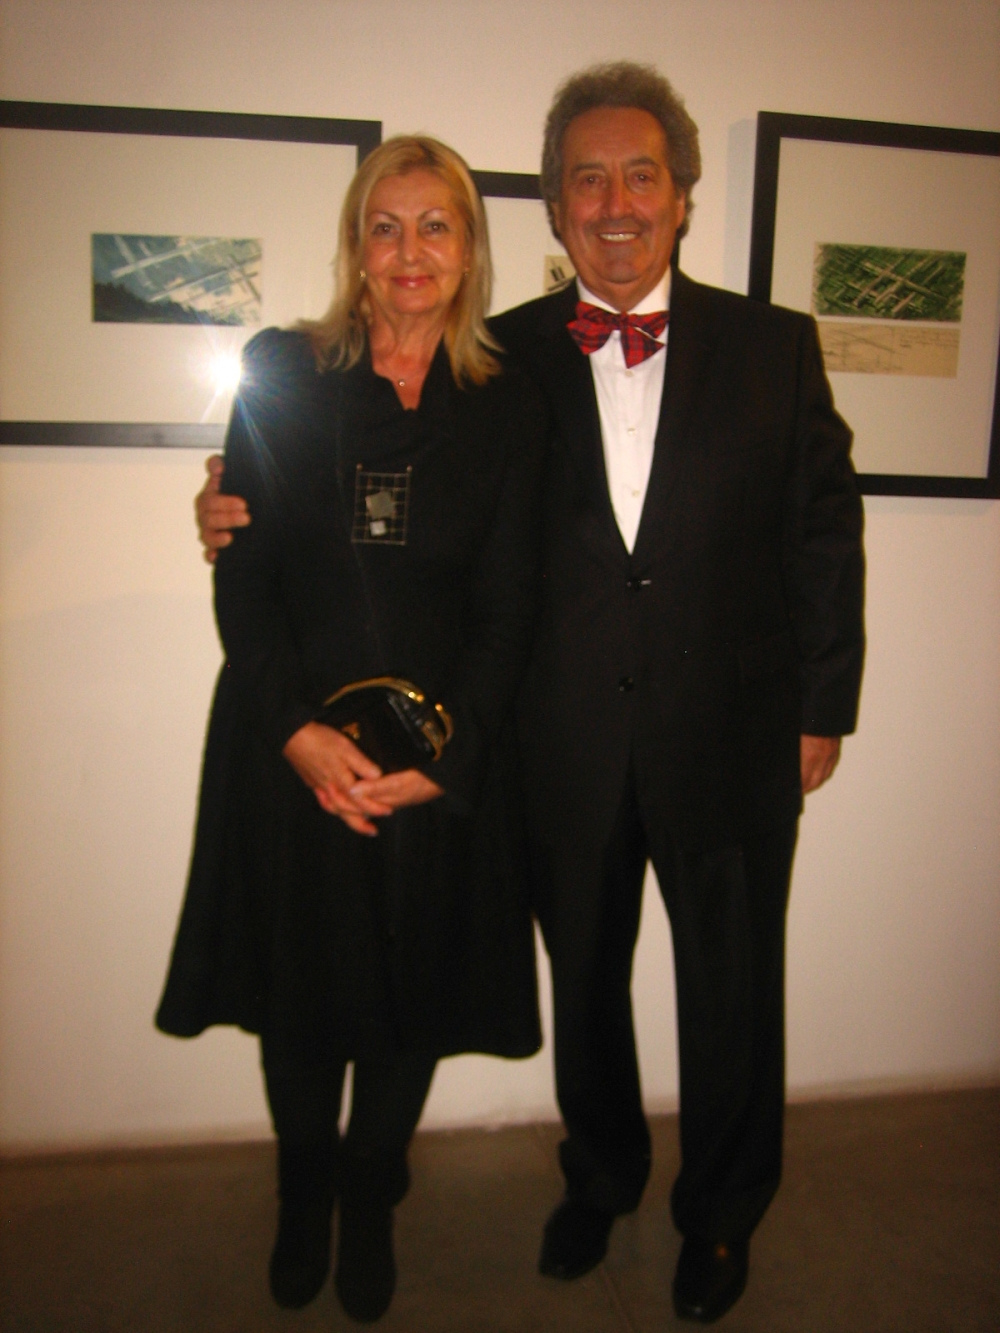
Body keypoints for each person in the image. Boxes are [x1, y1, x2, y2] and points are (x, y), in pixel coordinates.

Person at [194, 62, 865, 1325]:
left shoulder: (774, 347)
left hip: (729, 735)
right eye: (585, 180)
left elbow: (823, 530)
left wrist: (821, 705)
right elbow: (354, 488)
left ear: (681, 193)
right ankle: (599, 1179)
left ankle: (722, 1216)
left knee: (733, 994)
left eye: (639, 175)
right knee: (588, 990)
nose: (615, 203)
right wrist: (227, 505)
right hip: (560, 741)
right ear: (554, 208)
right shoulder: (501, 359)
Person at [157, 135, 543, 1324]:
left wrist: (445, 760)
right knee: (301, 993)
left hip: (435, 758)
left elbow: (512, 605)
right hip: (289, 752)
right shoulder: (284, 372)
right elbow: (244, 574)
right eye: (386, 225)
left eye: (435, 225)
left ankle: (369, 1193)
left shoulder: (509, 402)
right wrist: (294, 733)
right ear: (356, 246)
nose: (409, 250)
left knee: (407, 993)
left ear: (468, 249)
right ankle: (302, 1195)